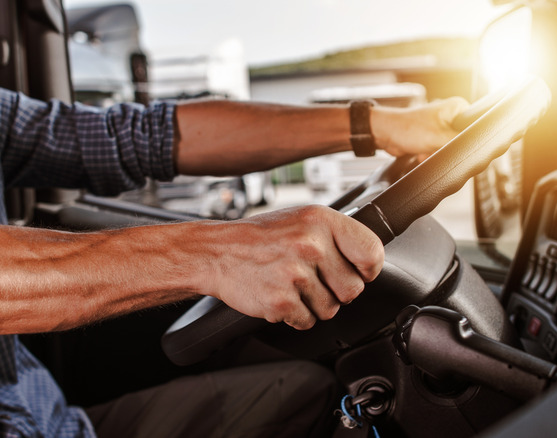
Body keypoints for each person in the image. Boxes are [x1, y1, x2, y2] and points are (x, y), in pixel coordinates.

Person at [0, 87, 467, 437]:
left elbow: (133, 136)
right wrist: (215, 253)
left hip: (51, 420)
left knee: (312, 395)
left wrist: (383, 125)